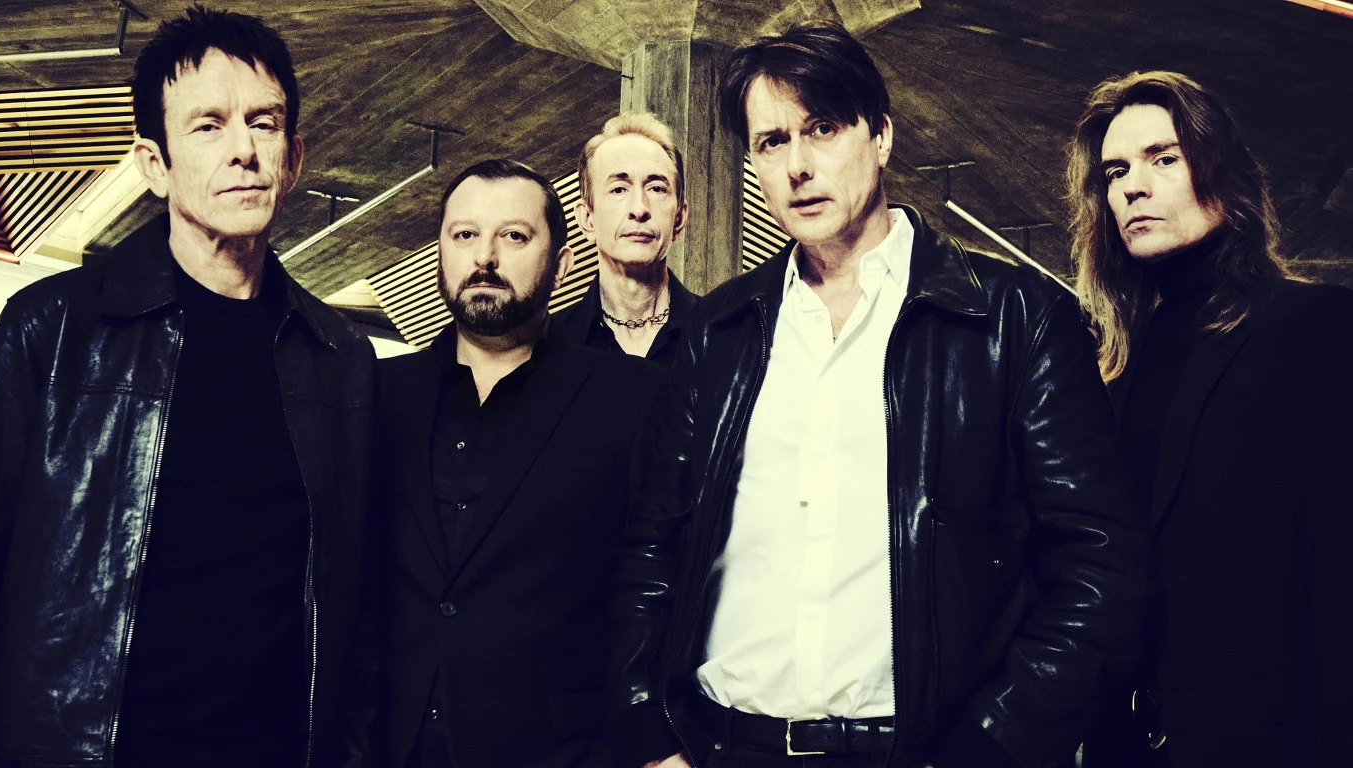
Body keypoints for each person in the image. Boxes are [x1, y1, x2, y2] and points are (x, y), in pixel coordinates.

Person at [608, 22, 1146, 768]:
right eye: (771, 142)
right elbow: (652, 548)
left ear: (882, 136)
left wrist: (992, 746)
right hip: (723, 743)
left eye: (823, 129)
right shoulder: (720, 331)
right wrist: (649, 735)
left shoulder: (1015, 318)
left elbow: (1099, 567)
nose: (798, 165)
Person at [0, 7, 376, 767]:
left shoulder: (341, 357)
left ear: (293, 158)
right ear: (154, 163)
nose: (244, 150)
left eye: (264, 123)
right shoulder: (52, 329)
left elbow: (358, 602)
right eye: (208, 125)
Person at [1069, 71, 1353, 768]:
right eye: (1115, 171)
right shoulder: (1113, 370)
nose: (1133, 187)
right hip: (1128, 748)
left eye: (1163, 159)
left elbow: (1341, 577)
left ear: (1224, 177)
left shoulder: (1311, 327)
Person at [374, 159, 665, 768]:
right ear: (440, 253)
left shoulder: (631, 398)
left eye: (513, 235)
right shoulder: (376, 394)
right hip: (387, 747)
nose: (485, 257)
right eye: (464, 235)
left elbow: (648, 586)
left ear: (561, 263)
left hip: (555, 752)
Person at [556, 113, 698, 366]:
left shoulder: (720, 334)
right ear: (587, 219)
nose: (639, 208)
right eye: (619, 189)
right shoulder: (548, 345)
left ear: (678, 219)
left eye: (656, 188)